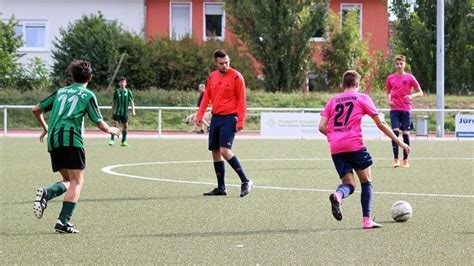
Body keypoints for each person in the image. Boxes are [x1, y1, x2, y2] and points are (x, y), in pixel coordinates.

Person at [32, 60, 120, 233]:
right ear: (91, 77)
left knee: (68, 180)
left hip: (54, 140)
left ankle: (47, 194)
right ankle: (63, 222)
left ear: (71, 77)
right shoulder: (87, 95)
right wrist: (111, 130)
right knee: (78, 182)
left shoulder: (60, 92)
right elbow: (99, 122)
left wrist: (46, 128)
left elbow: (36, 109)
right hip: (71, 139)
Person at [319, 70, 410, 229]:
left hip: (336, 147)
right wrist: (399, 142)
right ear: (357, 84)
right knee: (366, 182)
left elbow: (321, 127)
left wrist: (335, 136)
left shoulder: (333, 100)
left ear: (342, 85)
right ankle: (367, 220)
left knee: (349, 184)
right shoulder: (362, 97)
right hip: (355, 145)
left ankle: (338, 195)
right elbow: (381, 124)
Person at [195, 49, 253, 197]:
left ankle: (245, 181)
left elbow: (242, 101)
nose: (225, 65)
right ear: (216, 63)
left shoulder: (237, 77)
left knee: (224, 151)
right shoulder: (212, 77)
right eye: (221, 63)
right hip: (216, 118)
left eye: (227, 62)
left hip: (230, 118)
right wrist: (200, 115)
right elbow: (206, 98)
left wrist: (241, 120)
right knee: (215, 151)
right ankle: (221, 188)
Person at [386, 55, 423, 168]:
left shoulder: (410, 77)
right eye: (397, 64)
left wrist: (411, 96)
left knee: (406, 135)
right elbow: (388, 92)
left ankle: (405, 160)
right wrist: (389, 100)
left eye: (401, 63)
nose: (399, 66)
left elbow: (420, 92)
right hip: (395, 110)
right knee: (395, 134)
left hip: (406, 110)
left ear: (404, 64)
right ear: (395, 64)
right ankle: (396, 159)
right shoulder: (390, 78)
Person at [109, 77, 136, 147]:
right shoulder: (116, 91)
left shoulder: (128, 91)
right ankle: (112, 140)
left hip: (125, 113)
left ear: (126, 83)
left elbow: (132, 102)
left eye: (124, 82)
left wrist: (133, 110)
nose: (122, 83)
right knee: (115, 126)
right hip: (117, 112)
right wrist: (111, 113)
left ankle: (123, 141)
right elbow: (113, 103)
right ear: (119, 84)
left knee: (125, 126)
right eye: (121, 82)